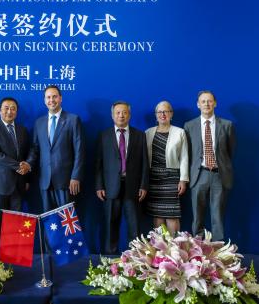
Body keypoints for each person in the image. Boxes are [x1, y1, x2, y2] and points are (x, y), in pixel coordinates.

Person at [95, 101, 148, 254]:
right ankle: (110, 258)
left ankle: (136, 259)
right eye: (118, 112)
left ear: (129, 115)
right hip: (110, 187)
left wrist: (144, 185)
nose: (121, 115)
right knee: (111, 224)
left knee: (134, 225)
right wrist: (99, 186)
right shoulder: (104, 136)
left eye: (124, 112)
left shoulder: (139, 135)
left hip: (133, 187)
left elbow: (145, 162)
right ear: (112, 115)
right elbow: (98, 163)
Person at [184, 90, 235, 241]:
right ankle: (197, 250)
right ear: (198, 105)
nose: (206, 104)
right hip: (198, 175)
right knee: (197, 216)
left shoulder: (227, 125)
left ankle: (219, 251)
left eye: (209, 101)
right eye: (203, 101)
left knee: (217, 215)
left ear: (215, 103)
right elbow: (188, 153)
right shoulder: (189, 126)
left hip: (219, 175)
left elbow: (230, 151)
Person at [24, 85, 85, 212]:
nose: (51, 100)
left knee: (66, 222)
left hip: (66, 181)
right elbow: (35, 149)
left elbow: (79, 150)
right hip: (45, 180)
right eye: (48, 97)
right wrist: (28, 164)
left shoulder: (73, 120)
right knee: (49, 222)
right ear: (44, 100)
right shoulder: (39, 122)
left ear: (61, 98)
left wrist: (76, 176)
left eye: (54, 96)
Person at [0, 97, 30, 254]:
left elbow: (26, 155)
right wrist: (18, 166)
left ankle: (15, 256)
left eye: (13, 108)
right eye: (6, 108)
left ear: (17, 112)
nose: (9, 111)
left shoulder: (23, 130)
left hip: (18, 184)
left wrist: (26, 171)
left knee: (17, 223)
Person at [145, 101, 188, 235]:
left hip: (172, 178)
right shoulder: (147, 133)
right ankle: (160, 251)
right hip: (153, 178)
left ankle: (174, 250)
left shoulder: (180, 132)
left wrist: (183, 180)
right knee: (157, 214)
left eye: (166, 111)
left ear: (171, 114)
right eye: (160, 112)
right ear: (156, 115)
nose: (163, 114)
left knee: (172, 214)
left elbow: (184, 157)